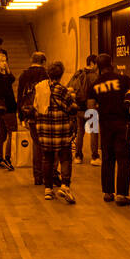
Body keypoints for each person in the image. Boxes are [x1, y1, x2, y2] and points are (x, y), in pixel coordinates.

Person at [87, 53, 130, 206]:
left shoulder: (95, 85)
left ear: (98, 67)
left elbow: (91, 108)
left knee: (107, 158)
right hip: (122, 123)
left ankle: (107, 193)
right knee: (123, 160)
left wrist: (94, 128)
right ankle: (121, 195)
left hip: (105, 125)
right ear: (111, 63)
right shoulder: (123, 79)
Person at [33, 61, 78, 203]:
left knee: (47, 159)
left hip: (45, 130)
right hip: (61, 130)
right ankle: (65, 185)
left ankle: (48, 189)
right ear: (61, 74)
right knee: (65, 157)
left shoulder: (40, 89)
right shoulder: (62, 90)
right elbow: (71, 108)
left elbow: (36, 107)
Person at [17, 52, 49, 184]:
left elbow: (20, 95)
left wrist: (21, 116)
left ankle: (37, 176)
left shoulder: (24, 75)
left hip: (29, 113)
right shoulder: (46, 74)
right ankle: (48, 173)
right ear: (43, 61)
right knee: (46, 144)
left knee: (36, 143)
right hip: (44, 113)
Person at [69, 54, 100, 165]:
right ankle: (94, 157)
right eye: (96, 64)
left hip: (79, 107)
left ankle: (78, 156)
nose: (97, 66)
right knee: (93, 132)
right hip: (91, 107)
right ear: (92, 63)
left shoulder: (78, 73)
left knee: (80, 132)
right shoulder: (94, 76)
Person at [0, 54, 18, 171]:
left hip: (1, 110)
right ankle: (7, 158)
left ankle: (0, 159)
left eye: (6, 60)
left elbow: (13, 78)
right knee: (12, 133)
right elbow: (4, 92)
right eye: (2, 61)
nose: (5, 63)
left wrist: (7, 70)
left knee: (1, 135)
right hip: (8, 108)